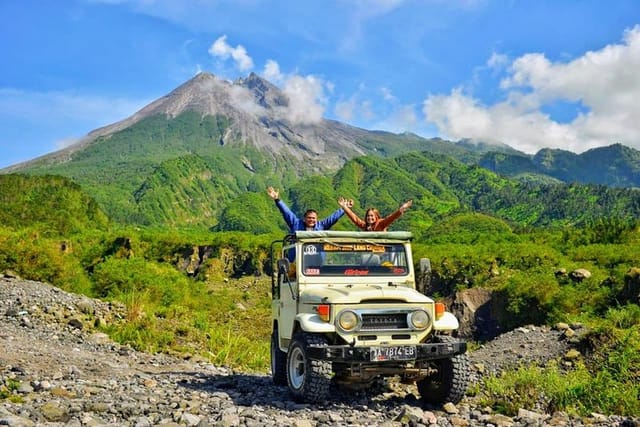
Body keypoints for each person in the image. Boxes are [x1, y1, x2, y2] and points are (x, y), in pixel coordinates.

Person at [267, 186, 345, 232]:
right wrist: (277, 199)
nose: (311, 220)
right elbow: (286, 212)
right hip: (297, 258)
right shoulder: (296, 224)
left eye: (313, 218)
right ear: (304, 218)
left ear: (317, 219)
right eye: (309, 218)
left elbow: (333, 218)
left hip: (316, 258)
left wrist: (344, 208)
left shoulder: (321, 226)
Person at [338, 197, 412, 231]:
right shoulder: (365, 226)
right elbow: (355, 219)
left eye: (372, 216)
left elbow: (391, 218)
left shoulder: (381, 224)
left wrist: (401, 209)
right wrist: (345, 207)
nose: (369, 218)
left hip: (384, 251)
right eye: (368, 216)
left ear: (376, 216)